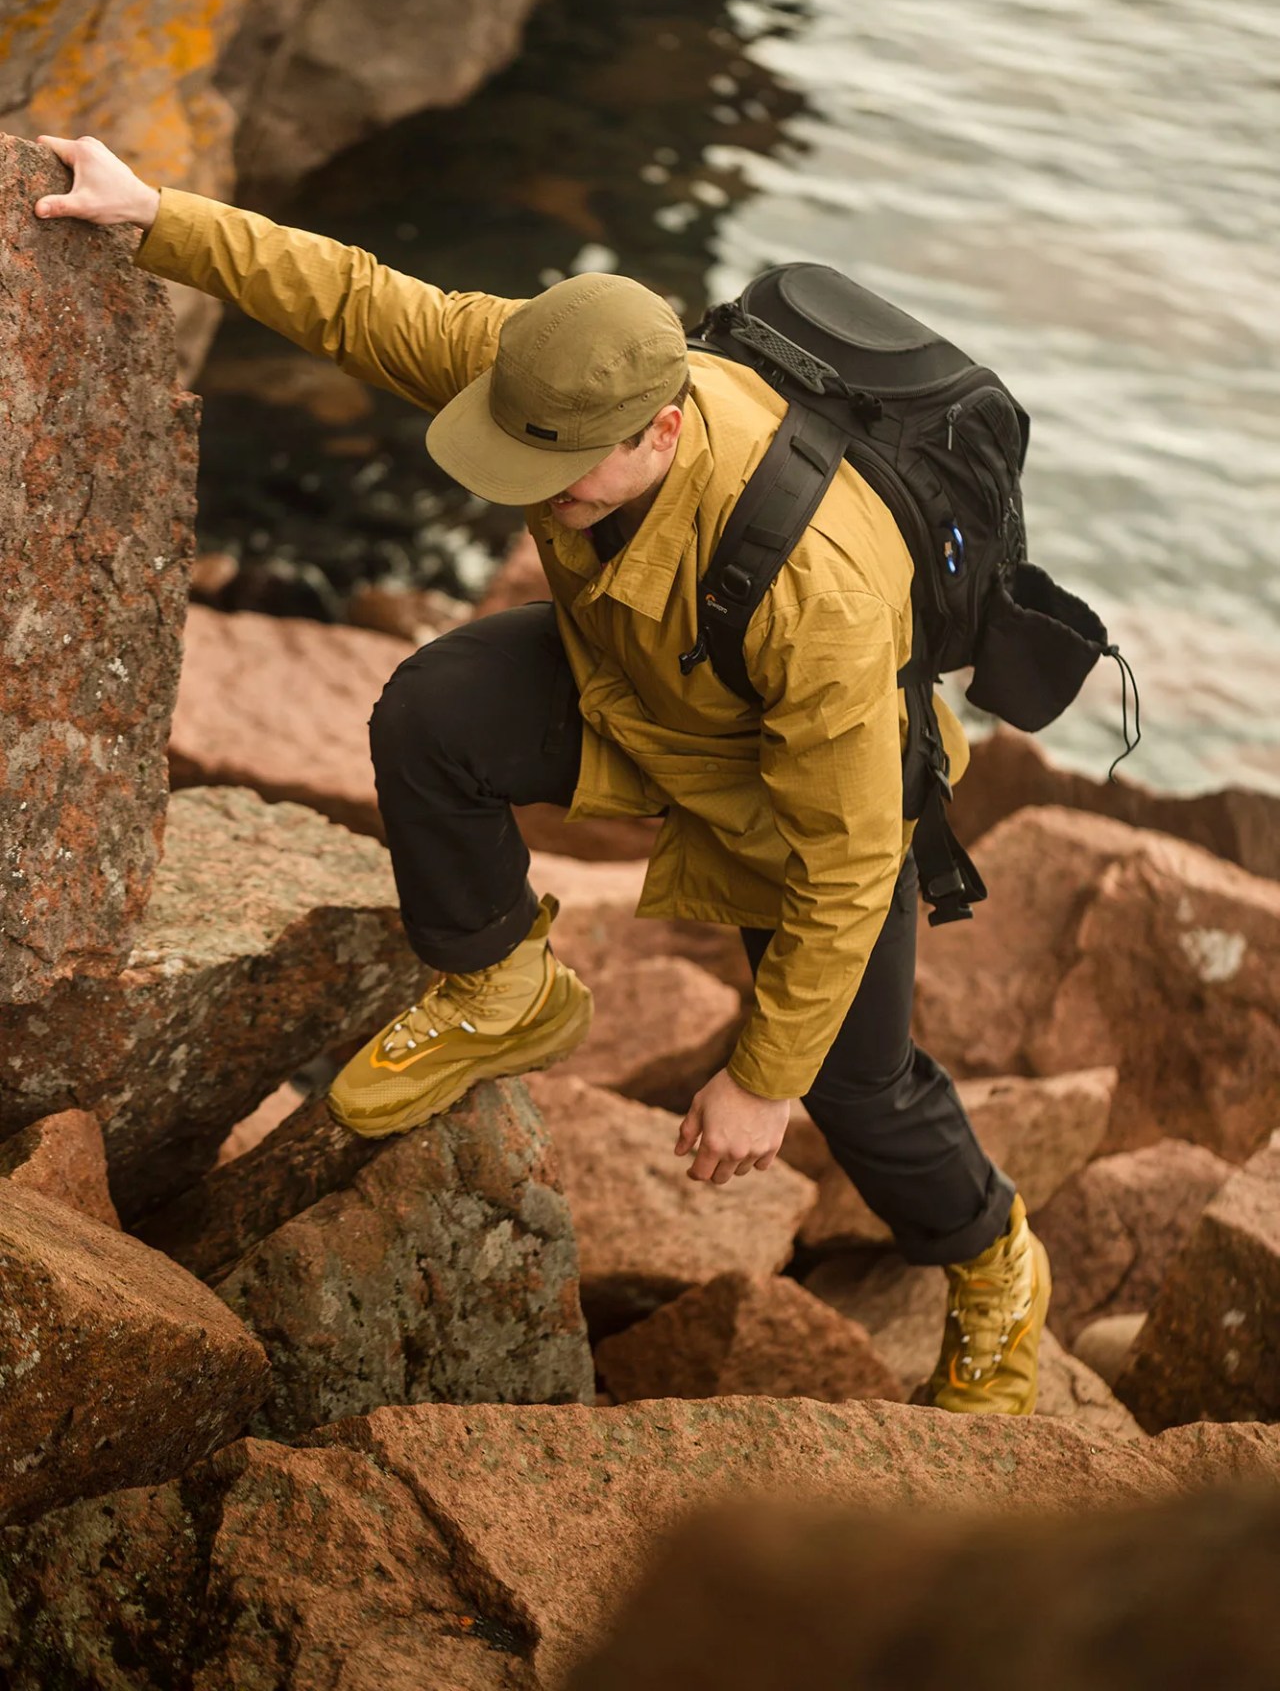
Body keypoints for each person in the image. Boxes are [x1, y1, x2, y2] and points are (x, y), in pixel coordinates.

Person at [35, 132, 1051, 1414]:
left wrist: (755, 1079)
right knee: (431, 712)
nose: (526, 488)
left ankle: (995, 1265)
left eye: (556, 473)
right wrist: (157, 215)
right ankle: (501, 988)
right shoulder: (546, 375)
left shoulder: (820, 591)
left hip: (795, 817)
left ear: (661, 426)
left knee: (859, 1091)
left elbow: (850, 864)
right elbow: (356, 298)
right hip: (640, 693)